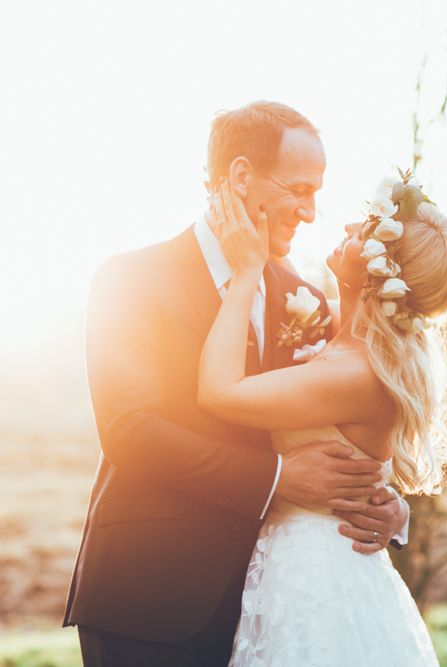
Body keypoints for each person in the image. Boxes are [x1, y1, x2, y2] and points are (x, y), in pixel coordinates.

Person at [63, 101, 409, 667]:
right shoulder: (129, 279)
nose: (310, 211)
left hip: (270, 605)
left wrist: (387, 509)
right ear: (242, 176)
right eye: (299, 189)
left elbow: (337, 422)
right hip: (148, 596)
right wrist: (276, 479)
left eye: (316, 192)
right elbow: (129, 430)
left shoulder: (309, 297)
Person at [198, 169, 447, 666]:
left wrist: (244, 275)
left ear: (380, 271)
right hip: (312, 562)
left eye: (365, 230)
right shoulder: (342, 338)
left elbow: (219, 392)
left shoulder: (354, 372)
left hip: (315, 576)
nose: (349, 227)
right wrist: (394, 509)